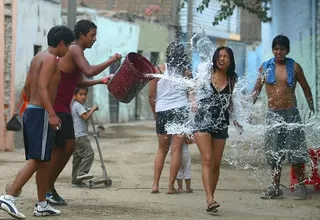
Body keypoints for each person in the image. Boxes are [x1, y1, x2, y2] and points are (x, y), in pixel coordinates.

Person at [0, 25, 74, 219]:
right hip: (41, 114)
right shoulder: (50, 59)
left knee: (44, 160)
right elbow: (41, 87)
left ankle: (42, 204)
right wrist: (51, 114)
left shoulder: (38, 58)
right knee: (37, 159)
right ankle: (8, 196)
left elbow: (27, 86)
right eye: (68, 46)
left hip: (33, 112)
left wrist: (20, 109)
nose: (68, 50)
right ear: (61, 43)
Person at [45, 19, 121, 205]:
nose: (94, 39)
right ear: (81, 35)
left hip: (64, 106)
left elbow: (78, 82)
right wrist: (111, 60)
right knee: (59, 150)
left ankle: (48, 187)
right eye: (92, 35)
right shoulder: (75, 49)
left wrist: (100, 82)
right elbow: (88, 71)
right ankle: (46, 189)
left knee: (68, 147)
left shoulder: (75, 52)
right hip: (56, 106)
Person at [251, 35, 314, 200]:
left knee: (296, 150)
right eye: (276, 49)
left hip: (291, 113)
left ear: (287, 50)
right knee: (274, 152)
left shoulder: (295, 67)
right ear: (273, 50)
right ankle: (275, 187)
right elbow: (256, 90)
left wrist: (312, 109)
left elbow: (306, 88)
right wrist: (247, 109)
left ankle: (301, 186)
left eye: (282, 49)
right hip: (273, 115)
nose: (279, 52)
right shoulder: (265, 68)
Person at [193, 46, 242, 212]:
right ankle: (209, 198)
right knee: (207, 159)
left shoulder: (232, 79)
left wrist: (236, 120)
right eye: (219, 56)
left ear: (230, 60)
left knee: (215, 163)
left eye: (225, 56)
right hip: (202, 120)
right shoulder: (207, 74)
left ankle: (210, 199)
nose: (222, 59)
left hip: (221, 121)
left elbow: (231, 101)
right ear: (215, 59)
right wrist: (193, 101)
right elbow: (192, 88)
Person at [148, 42, 196, 194]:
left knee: (162, 149)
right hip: (180, 111)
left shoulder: (158, 70)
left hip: (162, 111)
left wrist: (156, 113)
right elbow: (192, 95)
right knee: (176, 151)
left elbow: (151, 96)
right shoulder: (186, 73)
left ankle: (155, 185)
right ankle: (170, 187)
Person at [71, 87, 97, 187]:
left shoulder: (76, 105)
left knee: (77, 158)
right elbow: (85, 117)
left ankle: (75, 180)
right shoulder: (78, 105)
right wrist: (93, 110)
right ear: (74, 96)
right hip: (81, 136)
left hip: (75, 136)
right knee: (89, 154)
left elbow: (83, 113)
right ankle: (82, 173)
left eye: (85, 94)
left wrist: (88, 110)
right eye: (80, 94)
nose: (83, 97)